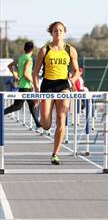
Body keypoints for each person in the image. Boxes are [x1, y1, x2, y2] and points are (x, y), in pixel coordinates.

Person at [33, 21, 80, 165]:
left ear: (64, 32)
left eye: (60, 30)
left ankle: (55, 153)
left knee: (61, 118)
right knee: (46, 125)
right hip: (47, 85)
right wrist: (37, 92)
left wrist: (72, 80)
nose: (58, 33)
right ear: (51, 33)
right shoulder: (44, 50)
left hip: (63, 85)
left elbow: (77, 70)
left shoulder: (70, 50)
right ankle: (41, 116)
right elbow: (35, 73)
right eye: (55, 30)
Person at [4, 41, 41, 127]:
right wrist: (33, 82)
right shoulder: (29, 59)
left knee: (31, 105)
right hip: (26, 86)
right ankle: (37, 123)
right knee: (18, 106)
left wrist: (16, 74)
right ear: (32, 49)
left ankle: (38, 123)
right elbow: (26, 73)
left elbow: (10, 66)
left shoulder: (20, 57)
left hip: (22, 85)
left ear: (24, 49)